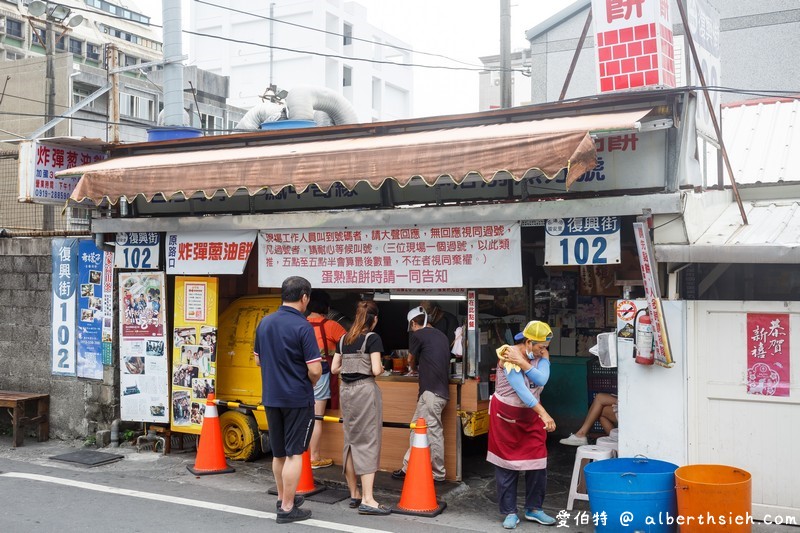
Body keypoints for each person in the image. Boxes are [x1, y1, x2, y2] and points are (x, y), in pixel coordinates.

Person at [253, 276, 322, 524]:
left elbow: (259, 360)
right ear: (304, 297)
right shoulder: (303, 326)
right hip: (297, 398)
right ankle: (288, 508)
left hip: (271, 397)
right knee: (294, 454)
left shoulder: (265, 323)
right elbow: (315, 370)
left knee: (279, 453)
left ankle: (283, 498)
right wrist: (309, 382)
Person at [487, 320, 557, 529]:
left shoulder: (540, 353)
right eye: (540, 347)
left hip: (531, 416)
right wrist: (544, 414)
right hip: (506, 416)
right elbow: (522, 390)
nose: (544, 351)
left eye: (546, 347)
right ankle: (509, 511)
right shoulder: (507, 355)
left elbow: (542, 379)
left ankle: (534, 508)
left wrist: (525, 362)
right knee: (506, 465)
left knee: (537, 462)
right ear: (528, 342)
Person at [330, 300, 391, 516]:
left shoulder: (344, 339)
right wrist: (381, 368)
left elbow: (334, 368)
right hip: (365, 391)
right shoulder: (372, 338)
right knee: (368, 441)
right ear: (374, 320)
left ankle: (354, 493)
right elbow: (375, 370)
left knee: (351, 441)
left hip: (347, 392)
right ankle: (368, 499)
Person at [392, 306, 450, 483]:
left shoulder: (418, 335)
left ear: (413, 323)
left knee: (432, 432)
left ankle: (438, 473)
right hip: (434, 392)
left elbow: (410, 359)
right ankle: (407, 467)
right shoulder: (441, 335)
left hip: (431, 393)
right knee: (416, 428)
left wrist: (412, 369)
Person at [306, 289, 347, 469]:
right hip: (321, 375)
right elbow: (350, 344)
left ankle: (302, 455)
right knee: (316, 418)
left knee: (303, 416)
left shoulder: (300, 323)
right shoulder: (332, 326)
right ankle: (314, 457)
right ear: (326, 306)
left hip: (301, 374)